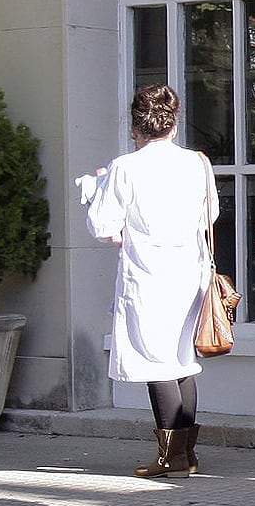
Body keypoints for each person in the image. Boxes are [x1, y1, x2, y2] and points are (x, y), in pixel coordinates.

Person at [76, 83, 219, 479]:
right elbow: (210, 215)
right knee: (183, 362)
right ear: (174, 123)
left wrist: (94, 188)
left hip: (148, 277)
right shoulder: (197, 163)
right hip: (190, 275)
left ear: (136, 126)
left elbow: (103, 225)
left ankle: (171, 457)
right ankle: (187, 455)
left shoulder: (125, 168)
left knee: (157, 363)